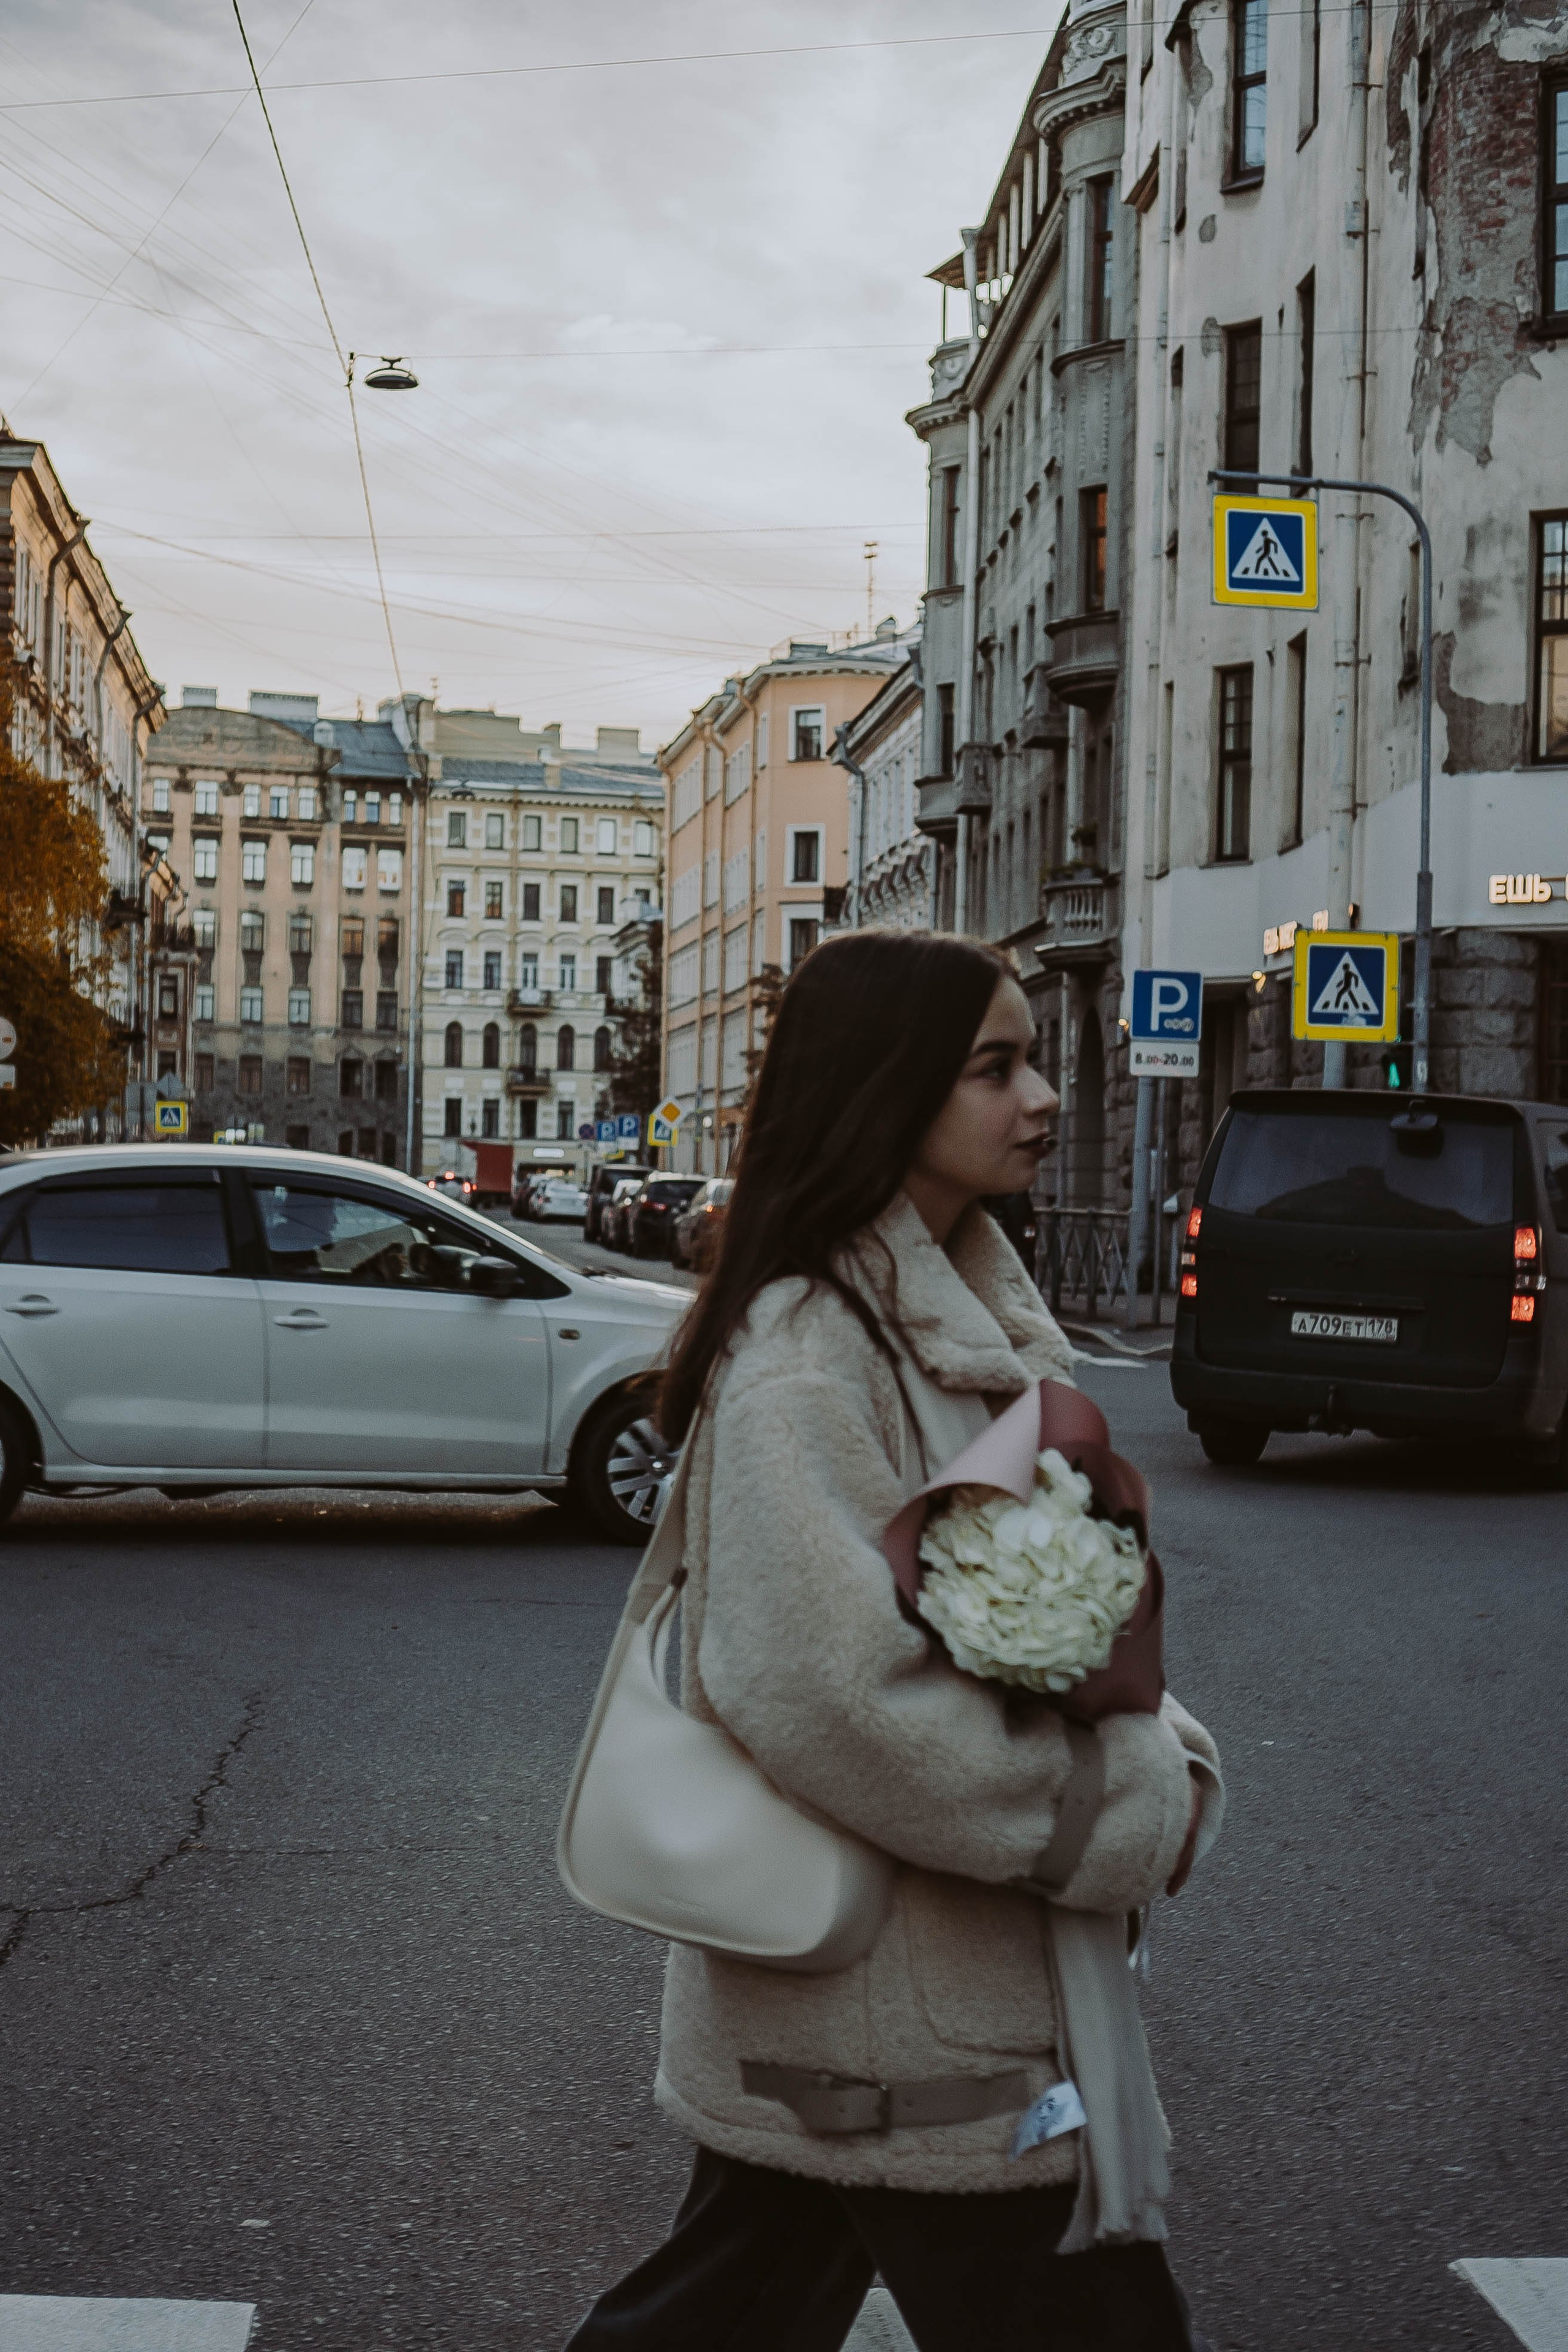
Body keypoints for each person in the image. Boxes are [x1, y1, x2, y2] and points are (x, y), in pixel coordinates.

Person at [565, 930, 1221, 2352]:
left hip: (889, 1990)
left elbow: (1052, 1628)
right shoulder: (815, 1352)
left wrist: (1142, 1743)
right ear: (883, 1091)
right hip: (912, 2007)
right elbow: (826, 1692)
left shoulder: (962, 1316)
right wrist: (1106, 1807)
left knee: (723, 2305)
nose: (1041, 1097)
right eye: (996, 1067)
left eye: (1034, 1058)